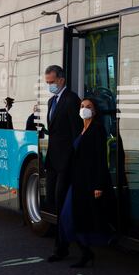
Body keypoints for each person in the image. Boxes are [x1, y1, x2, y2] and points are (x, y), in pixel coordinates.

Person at [59, 97, 116, 268]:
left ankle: (86, 253)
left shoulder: (97, 130)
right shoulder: (82, 129)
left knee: (76, 217)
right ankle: (85, 252)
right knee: (69, 217)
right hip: (78, 182)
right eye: (82, 106)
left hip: (89, 183)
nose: (84, 109)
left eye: (88, 106)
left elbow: (100, 159)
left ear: (95, 111)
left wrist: (98, 185)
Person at [45, 65, 82, 262]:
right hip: (52, 161)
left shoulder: (71, 100)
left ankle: (62, 247)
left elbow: (76, 132)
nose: (49, 86)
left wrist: (74, 160)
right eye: (47, 83)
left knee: (61, 203)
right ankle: (66, 239)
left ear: (61, 80)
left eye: (51, 82)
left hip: (66, 162)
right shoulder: (51, 101)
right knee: (51, 199)